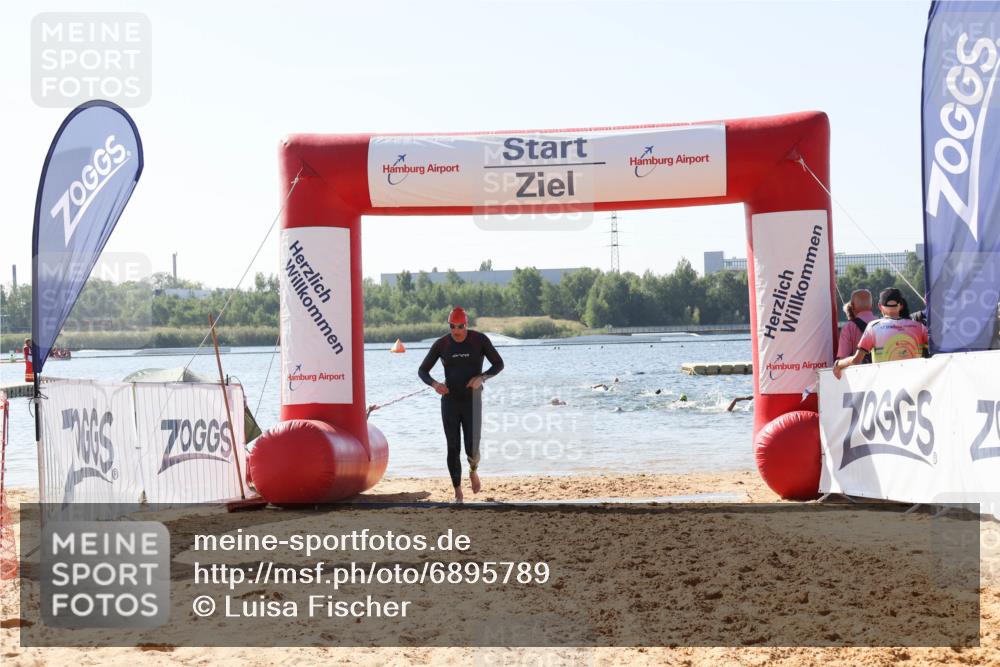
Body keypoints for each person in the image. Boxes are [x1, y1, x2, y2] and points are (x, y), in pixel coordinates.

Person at [418, 307, 504, 503]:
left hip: (472, 401)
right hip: (450, 401)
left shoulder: (479, 340)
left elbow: (498, 364)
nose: (456, 331)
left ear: (467, 325)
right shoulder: (442, 344)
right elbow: (422, 370)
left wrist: (482, 377)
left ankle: (473, 470)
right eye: (452, 326)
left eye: (460, 326)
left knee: (472, 446)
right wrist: (435, 384)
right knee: (453, 446)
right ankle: (457, 491)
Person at [833, 288, 928, 379]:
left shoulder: (873, 327)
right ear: (901, 305)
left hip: (883, 382)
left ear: (879, 306)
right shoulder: (919, 327)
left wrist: (838, 364)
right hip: (914, 380)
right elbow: (936, 348)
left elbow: (856, 360)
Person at [836, 289, 876, 361]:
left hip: (858, 371)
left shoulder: (848, 327)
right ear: (871, 305)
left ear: (852, 306)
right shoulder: (882, 324)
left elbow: (843, 358)